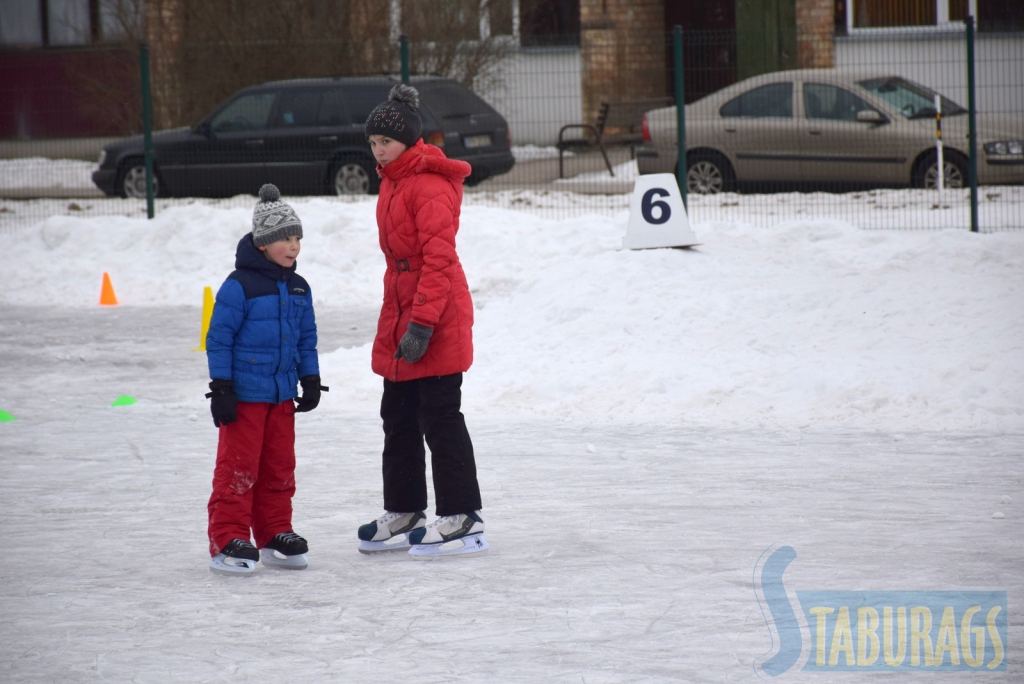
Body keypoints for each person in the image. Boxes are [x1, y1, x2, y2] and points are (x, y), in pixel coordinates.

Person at [356, 84, 486, 557]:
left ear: (409, 141)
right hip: (402, 307)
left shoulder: (429, 184)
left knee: (440, 416)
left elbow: (439, 260)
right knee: (399, 415)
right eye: (372, 143)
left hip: (436, 312)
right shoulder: (393, 180)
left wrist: (422, 324)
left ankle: (462, 515)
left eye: (384, 142)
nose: (377, 150)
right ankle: (406, 508)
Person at [204, 183, 327, 576]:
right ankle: (228, 536)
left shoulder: (298, 286)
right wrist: (221, 388)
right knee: (239, 469)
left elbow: (306, 337)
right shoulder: (239, 286)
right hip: (243, 397)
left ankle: (274, 532)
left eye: (297, 239)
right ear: (262, 243)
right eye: (284, 240)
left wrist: (310, 378)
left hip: (280, 397)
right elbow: (218, 338)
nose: (293, 247)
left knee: (279, 467)